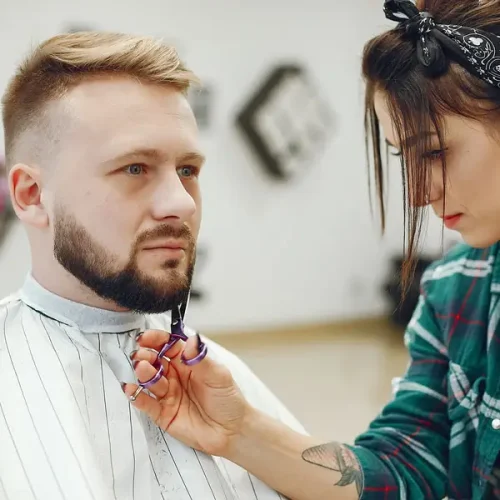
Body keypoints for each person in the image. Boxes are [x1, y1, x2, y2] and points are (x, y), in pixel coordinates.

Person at [123, 0, 500, 498]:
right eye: (401, 158)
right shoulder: (454, 291)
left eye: (433, 151)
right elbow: (405, 464)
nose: (415, 193)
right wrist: (241, 433)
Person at [0, 31, 307, 500]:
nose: (181, 203)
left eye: (187, 170)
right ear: (32, 195)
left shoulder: (217, 374)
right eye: (135, 168)